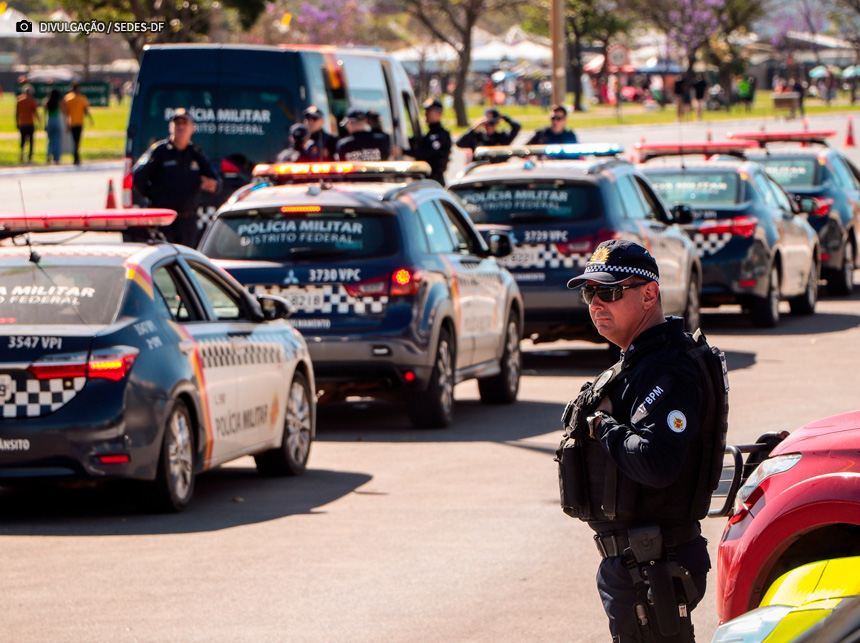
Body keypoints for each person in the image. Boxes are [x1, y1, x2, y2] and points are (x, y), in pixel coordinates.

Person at [558, 239, 715, 643]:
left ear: (649, 294)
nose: (595, 303)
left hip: (655, 565)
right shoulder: (641, 361)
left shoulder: (668, 368)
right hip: (639, 563)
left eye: (609, 292)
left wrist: (601, 425)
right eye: (589, 293)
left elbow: (657, 461)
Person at [132, 108, 221, 247]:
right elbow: (137, 176)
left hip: (188, 221)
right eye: (177, 123)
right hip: (164, 221)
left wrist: (214, 185)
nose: (181, 127)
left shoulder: (196, 154)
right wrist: (153, 196)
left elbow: (216, 181)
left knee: (187, 259)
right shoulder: (159, 151)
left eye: (185, 123)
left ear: (192, 128)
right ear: (170, 127)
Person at [398, 98, 452, 186]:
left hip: (434, 180)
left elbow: (426, 152)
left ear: (439, 114)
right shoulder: (429, 134)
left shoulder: (441, 134)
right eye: (426, 111)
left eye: (429, 111)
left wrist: (403, 151)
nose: (426, 114)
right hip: (424, 178)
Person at [455, 108, 521, 152]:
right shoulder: (477, 137)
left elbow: (517, 127)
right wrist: (474, 128)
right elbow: (460, 143)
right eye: (487, 124)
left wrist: (503, 116)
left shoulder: (502, 137)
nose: (489, 127)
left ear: (497, 123)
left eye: (492, 124)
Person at [63, 82, 94, 165]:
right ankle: (76, 156)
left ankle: (75, 156)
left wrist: (66, 124)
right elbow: (86, 110)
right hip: (79, 122)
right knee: (77, 140)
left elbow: (66, 112)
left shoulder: (68, 98)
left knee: (74, 140)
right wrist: (90, 119)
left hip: (72, 122)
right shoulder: (82, 98)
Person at [16, 84, 40, 164]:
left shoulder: (19, 100)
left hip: (22, 123)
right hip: (30, 123)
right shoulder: (32, 101)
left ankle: (22, 154)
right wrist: (39, 121)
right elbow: (35, 113)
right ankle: (29, 158)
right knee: (30, 141)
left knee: (23, 140)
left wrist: (17, 122)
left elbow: (17, 113)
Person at [43, 88, 66, 165]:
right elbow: (63, 111)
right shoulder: (58, 102)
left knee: (50, 139)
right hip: (57, 120)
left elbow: (44, 113)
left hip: (49, 120)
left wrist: (45, 124)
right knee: (57, 140)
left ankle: (49, 153)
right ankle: (57, 158)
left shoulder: (47, 102)